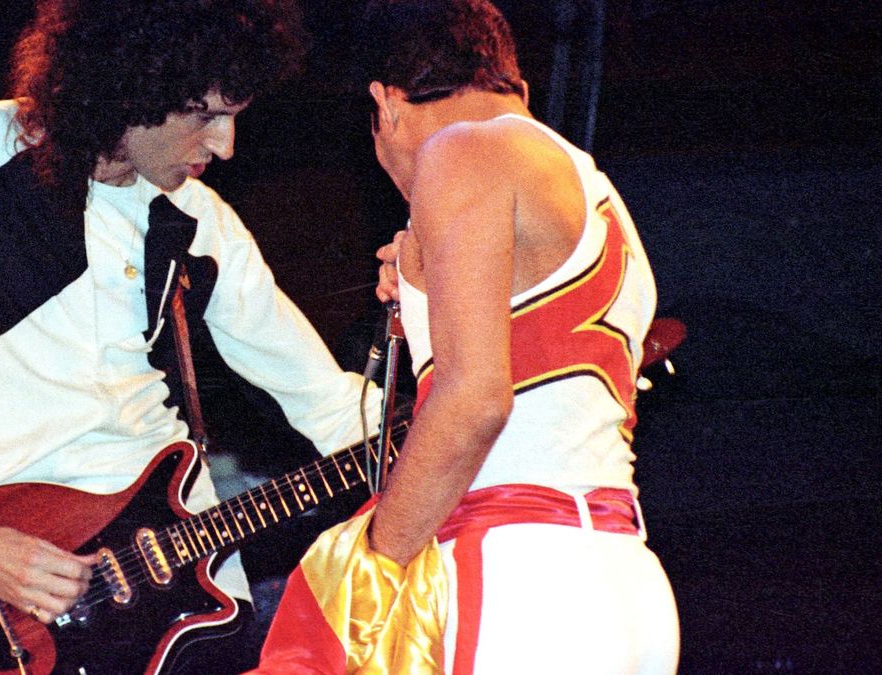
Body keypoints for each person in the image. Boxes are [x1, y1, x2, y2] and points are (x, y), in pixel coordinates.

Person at [0, 0, 379, 670]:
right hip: (16, 592)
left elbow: (333, 406)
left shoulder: (203, 223)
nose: (225, 146)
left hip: (196, 603)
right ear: (136, 83)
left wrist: (454, 404)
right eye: (207, 114)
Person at [254, 1, 679, 672]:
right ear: (517, 87)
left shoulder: (457, 150)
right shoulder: (591, 184)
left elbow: (477, 398)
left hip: (514, 577)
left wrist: (372, 569)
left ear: (385, 104)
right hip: (621, 581)